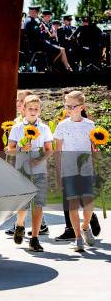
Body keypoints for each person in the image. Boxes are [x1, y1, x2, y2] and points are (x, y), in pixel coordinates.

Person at [7, 95, 53, 252]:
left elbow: (49, 150)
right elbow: (9, 149)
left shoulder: (44, 128)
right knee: (24, 205)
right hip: (22, 170)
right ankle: (19, 224)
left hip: (39, 170)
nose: (33, 111)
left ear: (40, 111)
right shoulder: (17, 128)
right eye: (30, 109)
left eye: (36, 109)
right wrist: (20, 149)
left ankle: (34, 238)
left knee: (38, 205)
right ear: (23, 110)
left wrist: (40, 158)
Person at [53, 91, 97, 252]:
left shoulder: (90, 125)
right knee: (72, 204)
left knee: (89, 204)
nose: (69, 109)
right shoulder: (62, 126)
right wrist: (58, 174)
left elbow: (93, 147)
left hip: (86, 170)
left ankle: (85, 227)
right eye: (67, 106)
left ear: (82, 107)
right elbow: (57, 151)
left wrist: (95, 152)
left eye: (73, 106)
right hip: (69, 170)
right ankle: (78, 237)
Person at [23, 5, 72, 72]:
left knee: (61, 49)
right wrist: (47, 37)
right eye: (37, 13)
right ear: (34, 11)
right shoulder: (32, 22)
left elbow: (37, 35)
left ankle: (65, 68)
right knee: (60, 50)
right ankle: (57, 67)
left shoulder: (28, 20)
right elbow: (39, 36)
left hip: (38, 45)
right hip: (38, 46)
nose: (37, 15)